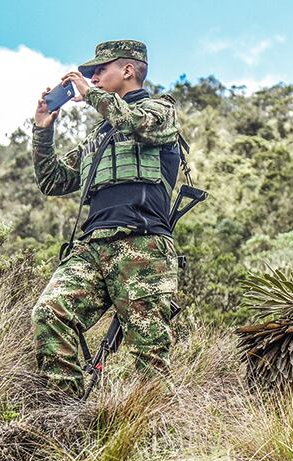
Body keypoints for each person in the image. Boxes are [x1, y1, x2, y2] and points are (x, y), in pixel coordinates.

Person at [30, 39, 181, 397]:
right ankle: (62, 416)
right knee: (50, 313)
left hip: (142, 245)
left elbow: (134, 121)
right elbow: (52, 180)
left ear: (128, 70)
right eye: (90, 74)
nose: (93, 77)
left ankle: (150, 433)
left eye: (100, 70)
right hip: (93, 247)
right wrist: (43, 129)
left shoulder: (161, 111)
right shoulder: (96, 139)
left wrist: (90, 96)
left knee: (149, 351)